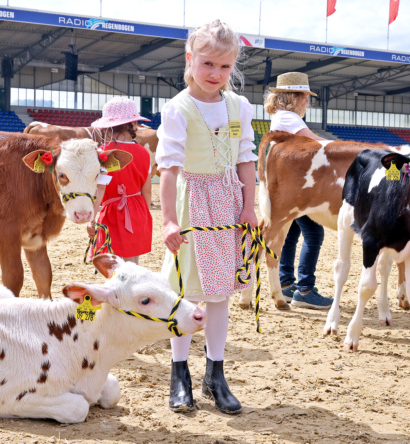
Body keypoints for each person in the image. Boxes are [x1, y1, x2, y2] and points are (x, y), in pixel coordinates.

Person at [155, 19, 257, 415]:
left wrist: (249, 207)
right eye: (208, 64)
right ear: (190, 59)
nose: (216, 74)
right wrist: (167, 220)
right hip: (192, 204)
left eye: (225, 67)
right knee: (187, 293)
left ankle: (216, 374)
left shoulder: (240, 106)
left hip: (228, 205)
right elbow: (168, 169)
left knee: (219, 294)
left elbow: (246, 158)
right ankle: (179, 374)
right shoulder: (178, 107)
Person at [263, 72, 333, 310]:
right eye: (305, 96)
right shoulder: (290, 119)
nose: (307, 102)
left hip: (286, 185)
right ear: (294, 97)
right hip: (297, 186)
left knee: (291, 235)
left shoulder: (281, 117)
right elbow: (316, 143)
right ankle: (305, 289)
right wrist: (345, 149)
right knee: (314, 235)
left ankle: (286, 283)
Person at [86, 97, 153, 264]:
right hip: (137, 210)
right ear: (133, 124)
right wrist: (144, 215)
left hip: (112, 213)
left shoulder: (103, 154)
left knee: (112, 266)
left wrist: (92, 219)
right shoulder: (144, 153)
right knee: (132, 266)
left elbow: (99, 190)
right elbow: (147, 190)